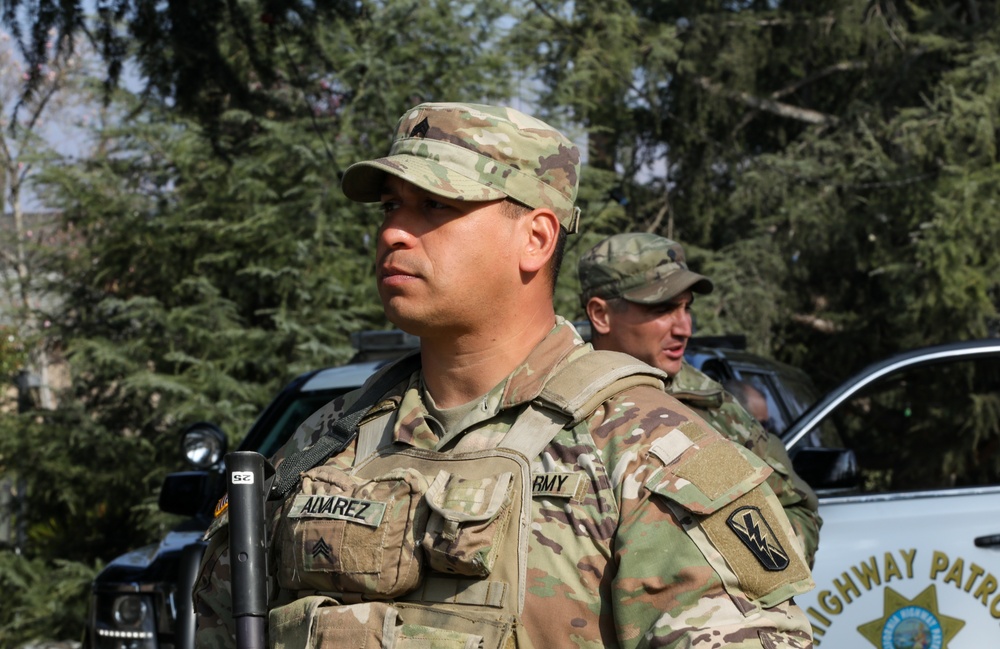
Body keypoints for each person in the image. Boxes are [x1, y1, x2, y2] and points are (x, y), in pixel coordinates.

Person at [194, 102, 814, 648]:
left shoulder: (644, 446)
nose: (392, 232)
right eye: (390, 206)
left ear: (537, 238)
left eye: (435, 205)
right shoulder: (329, 441)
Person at [578, 232, 822, 566]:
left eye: (686, 308)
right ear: (601, 315)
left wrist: (744, 572)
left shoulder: (714, 408)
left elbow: (798, 510)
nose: (685, 328)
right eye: (663, 308)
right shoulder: (555, 404)